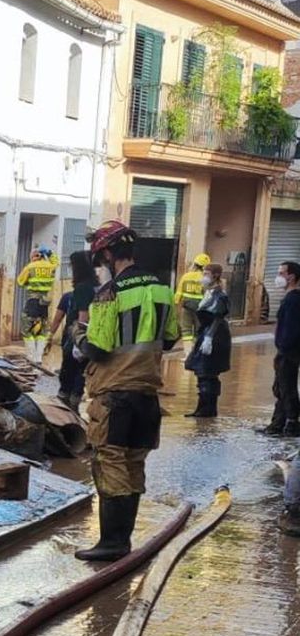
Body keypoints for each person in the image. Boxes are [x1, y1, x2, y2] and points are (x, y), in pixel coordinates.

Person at [73, 220, 178, 562]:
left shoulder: (109, 293)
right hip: (147, 395)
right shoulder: (162, 288)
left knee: (109, 465)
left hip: (114, 395)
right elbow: (172, 337)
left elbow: (99, 348)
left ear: (106, 253)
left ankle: (111, 543)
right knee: (133, 466)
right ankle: (124, 541)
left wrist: (78, 337)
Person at [47, 251, 94, 411]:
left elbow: (83, 317)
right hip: (88, 341)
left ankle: (66, 413)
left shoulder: (81, 290)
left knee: (68, 375)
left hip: (75, 341)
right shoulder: (97, 288)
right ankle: (73, 409)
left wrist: (78, 343)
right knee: (80, 376)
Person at [183, 264, 231, 419]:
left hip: (215, 336)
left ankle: (208, 409)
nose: (203, 277)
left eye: (206, 273)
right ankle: (202, 407)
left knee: (208, 372)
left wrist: (209, 337)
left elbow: (218, 317)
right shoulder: (209, 292)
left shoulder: (219, 295)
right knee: (202, 372)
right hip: (207, 333)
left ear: (215, 275)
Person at [263, 261, 300, 436]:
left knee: (286, 386)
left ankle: (291, 423)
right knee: (280, 387)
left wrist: (283, 347)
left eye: (281, 273)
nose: (278, 277)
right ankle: (277, 424)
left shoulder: (294, 300)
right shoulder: (290, 298)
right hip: (286, 350)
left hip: (289, 351)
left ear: (291, 276)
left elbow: (291, 328)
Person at [17, 245, 59, 364]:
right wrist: (50, 252)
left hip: (32, 302)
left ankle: (31, 356)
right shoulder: (50, 267)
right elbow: (56, 261)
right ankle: (39, 357)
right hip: (45, 303)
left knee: (27, 329)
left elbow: (20, 282)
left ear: (33, 256)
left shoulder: (30, 267)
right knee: (43, 330)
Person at [174, 254, 210, 344]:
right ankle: (197, 353)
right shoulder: (206, 279)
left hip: (187, 307)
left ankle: (188, 353)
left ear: (195, 264)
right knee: (200, 331)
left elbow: (179, 292)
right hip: (201, 310)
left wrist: (175, 305)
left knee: (186, 331)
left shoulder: (186, 276)